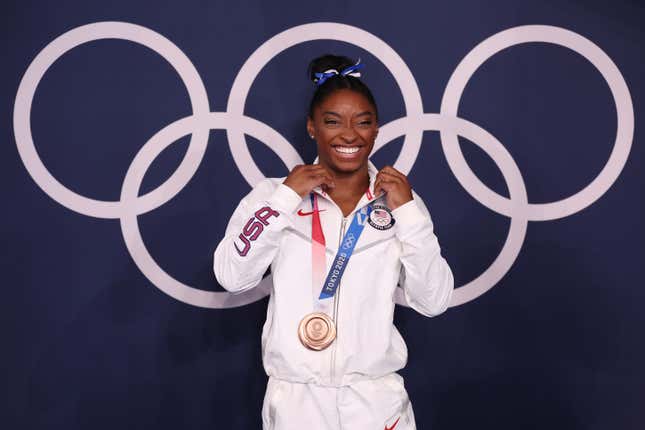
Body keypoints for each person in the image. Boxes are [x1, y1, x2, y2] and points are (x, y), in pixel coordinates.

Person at [213, 54, 454, 430]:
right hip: (297, 403)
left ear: (376, 130)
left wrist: (409, 214)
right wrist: (285, 199)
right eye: (332, 122)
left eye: (363, 122)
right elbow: (232, 275)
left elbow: (434, 300)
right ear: (312, 128)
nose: (348, 135)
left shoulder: (401, 204)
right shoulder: (273, 195)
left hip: (375, 403)